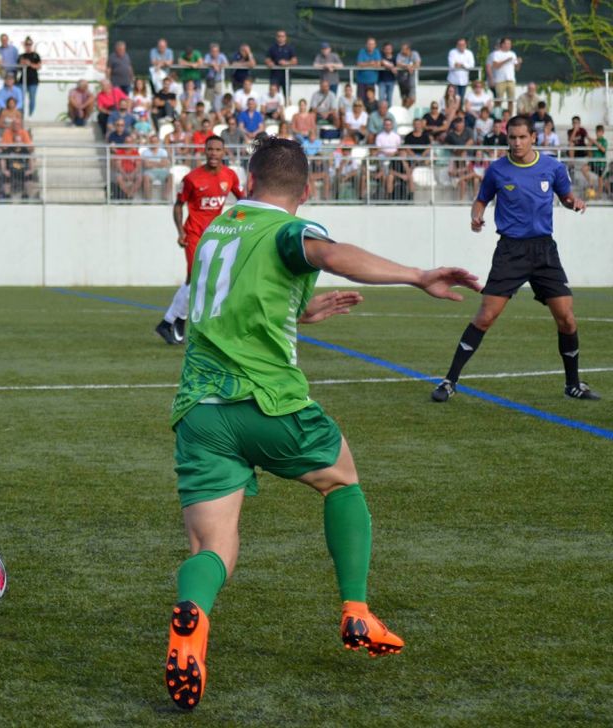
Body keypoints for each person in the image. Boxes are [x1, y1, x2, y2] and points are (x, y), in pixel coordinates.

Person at [163, 135, 480, 711]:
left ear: (247, 180)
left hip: (199, 413)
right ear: (306, 192)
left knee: (212, 545)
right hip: (269, 403)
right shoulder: (288, 230)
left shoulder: (217, 228)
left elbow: (232, 298)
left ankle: (195, 620)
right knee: (341, 478)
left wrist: (300, 309)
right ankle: (356, 612)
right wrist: (417, 275)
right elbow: (327, 254)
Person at [431, 115, 597, 403]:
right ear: (507, 138)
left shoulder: (552, 167)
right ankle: (449, 381)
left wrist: (575, 203)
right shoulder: (497, 170)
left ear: (533, 137)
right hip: (510, 252)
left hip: (545, 251)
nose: (517, 143)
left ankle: (573, 384)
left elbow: (567, 197)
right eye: (512, 138)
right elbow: (481, 199)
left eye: (522, 137)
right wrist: (476, 215)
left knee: (567, 320)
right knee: (485, 317)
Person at [154, 135, 243, 345]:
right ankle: (173, 322)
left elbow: (244, 201)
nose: (213, 153)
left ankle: (172, 322)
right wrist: (180, 232)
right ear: (205, 151)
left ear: (224, 152)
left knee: (193, 280)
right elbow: (178, 205)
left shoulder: (229, 176)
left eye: (218, 150)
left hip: (215, 235)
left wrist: (237, 219)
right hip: (194, 234)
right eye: (210, 149)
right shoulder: (192, 178)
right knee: (197, 279)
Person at [487, 37, 521, 116]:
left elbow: (517, 69)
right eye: (507, 43)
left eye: (510, 43)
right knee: (499, 100)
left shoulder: (512, 53)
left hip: (511, 80)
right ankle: (497, 116)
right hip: (500, 80)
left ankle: (510, 117)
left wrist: (519, 63)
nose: (509, 45)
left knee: (511, 100)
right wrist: (506, 60)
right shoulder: (496, 54)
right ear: (502, 44)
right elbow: (495, 66)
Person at [265, 29, 297, 98]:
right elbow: (267, 59)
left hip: (286, 75)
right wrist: (270, 63)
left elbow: (295, 61)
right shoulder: (272, 48)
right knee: (275, 95)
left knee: (287, 95)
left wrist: (286, 63)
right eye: (279, 36)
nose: (281, 38)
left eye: (282, 36)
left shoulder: (290, 48)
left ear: (285, 37)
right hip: (275, 76)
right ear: (276, 37)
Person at [17, 37, 41, 117]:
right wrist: (22, 64)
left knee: (32, 99)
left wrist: (29, 64)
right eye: (26, 44)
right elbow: (18, 68)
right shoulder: (21, 56)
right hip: (22, 81)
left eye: (29, 44)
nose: (28, 46)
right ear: (24, 45)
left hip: (33, 81)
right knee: (21, 99)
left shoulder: (35, 55)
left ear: (32, 45)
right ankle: (21, 116)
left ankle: (31, 116)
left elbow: (38, 66)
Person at [395, 42, 421, 109]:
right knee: (404, 99)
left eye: (403, 49)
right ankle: (403, 111)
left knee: (412, 99)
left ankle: (404, 110)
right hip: (402, 80)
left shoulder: (414, 54)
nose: (401, 51)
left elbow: (418, 64)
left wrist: (412, 67)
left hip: (411, 80)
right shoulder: (399, 55)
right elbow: (398, 64)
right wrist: (407, 66)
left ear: (408, 49)